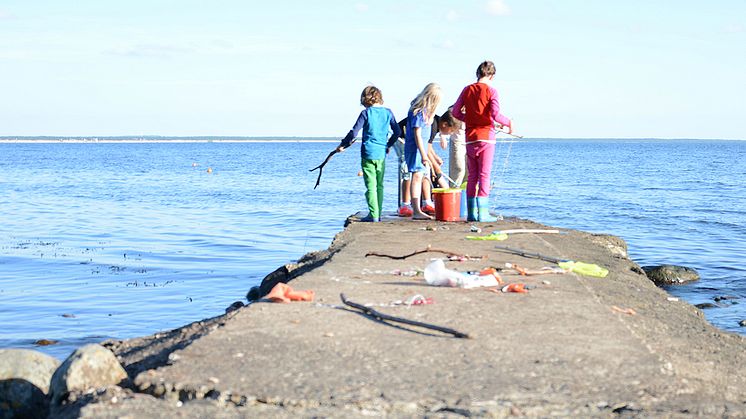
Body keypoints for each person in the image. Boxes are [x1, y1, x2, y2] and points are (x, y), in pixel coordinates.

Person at [452, 61, 512, 222]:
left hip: (470, 137)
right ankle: (483, 214)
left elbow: (456, 112)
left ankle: (471, 214)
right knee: (484, 175)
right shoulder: (492, 90)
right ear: (492, 75)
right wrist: (508, 123)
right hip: (486, 137)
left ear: (478, 73)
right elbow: (495, 114)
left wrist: (470, 119)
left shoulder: (467, 90)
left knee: (472, 176)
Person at [336, 85, 401, 222]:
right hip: (381, 154)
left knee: (371, 186)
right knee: (380, 185)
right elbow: (397, 132)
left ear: (365, 99)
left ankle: (374, 214)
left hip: (368, 153)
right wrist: (388, 145)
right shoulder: (388, 112)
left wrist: (344, 145)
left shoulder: (365, 113)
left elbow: (354, 132)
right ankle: (378, 213)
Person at [403, 83, 441, 220]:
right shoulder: (418, 111)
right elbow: (417, 134)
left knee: (421, 176)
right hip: (416, 149)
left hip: (422, 149)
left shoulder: (427, 113)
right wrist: (424, 155)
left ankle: (418, 208)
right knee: (417, 176)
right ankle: (417, 210)